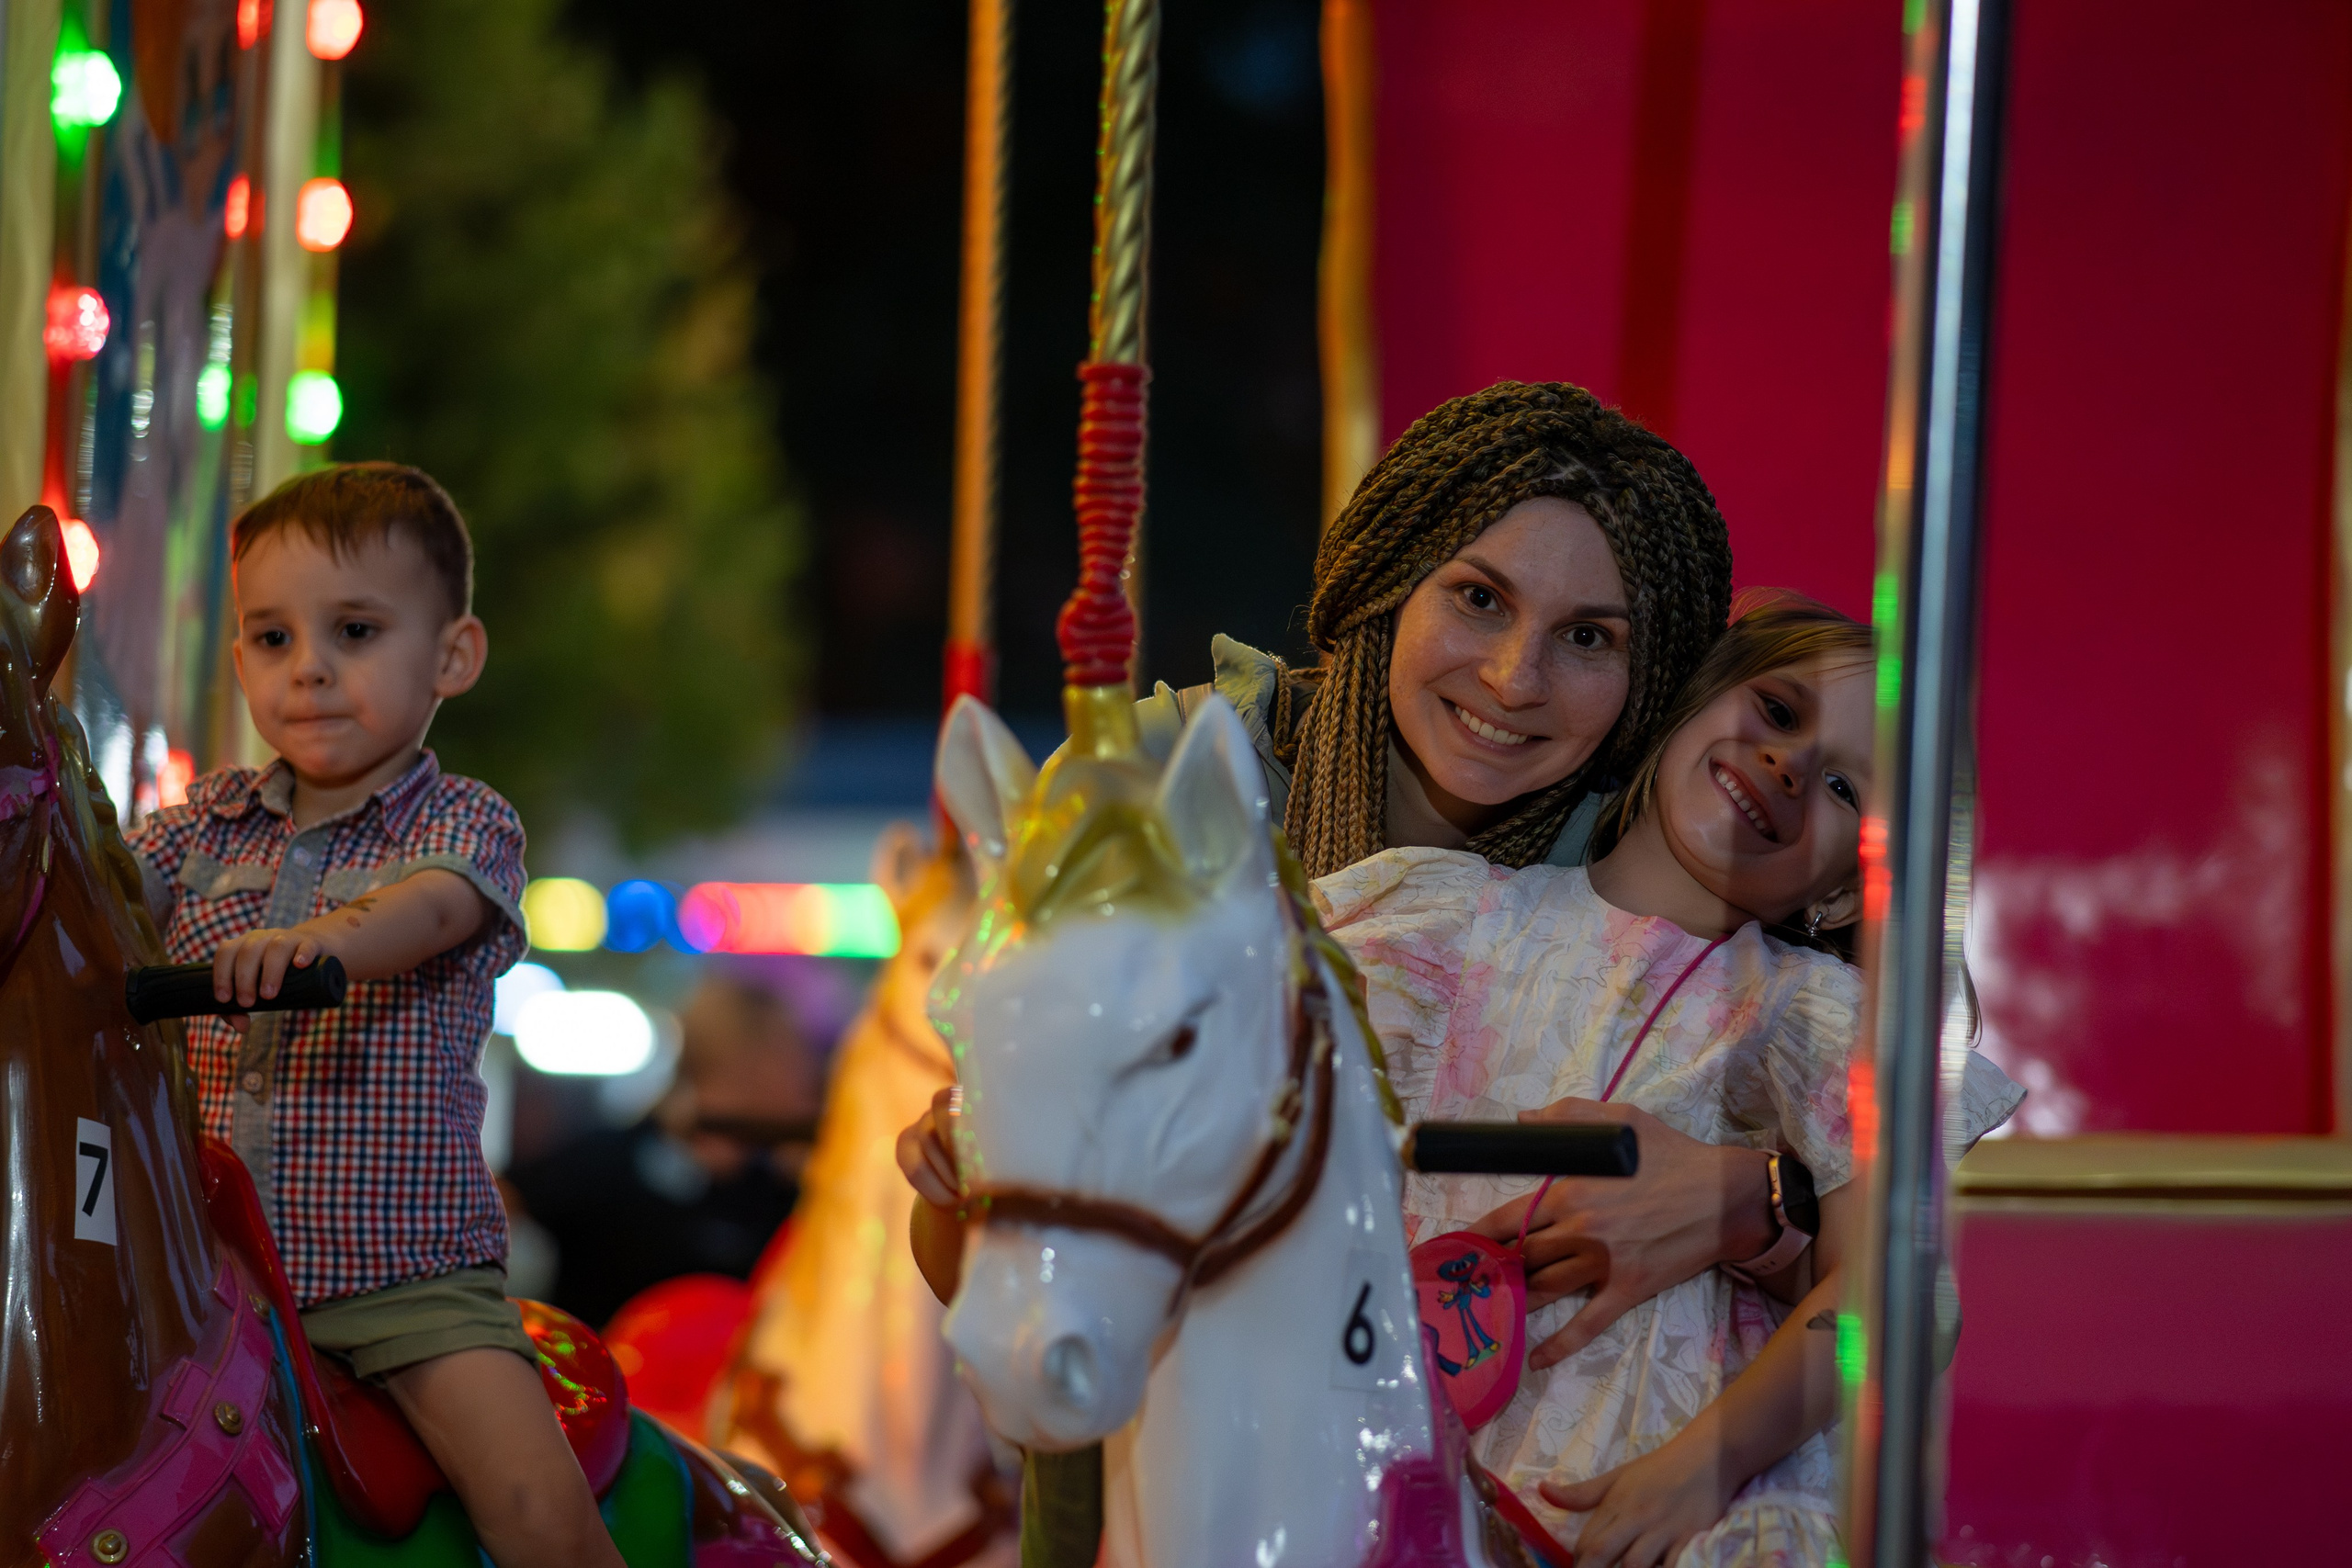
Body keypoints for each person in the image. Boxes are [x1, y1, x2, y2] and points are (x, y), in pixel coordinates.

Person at [901, 382, 1824, 1561]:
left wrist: (1753, 1202)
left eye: (1588, 638)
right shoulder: (1185, 792)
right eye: (1478, 599)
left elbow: (1882, 1283)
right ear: (1389, 579)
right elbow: (972, 1262)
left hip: (1579, 1486)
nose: (1511, 678)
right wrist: (976, 1164)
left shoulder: (1662, 866)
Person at [1313, 596, 2024, 1564]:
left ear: (1846, 892)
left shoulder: (1808, 1015)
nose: (1789, 764)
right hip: (1390, 1453)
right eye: (1777, 712)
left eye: (1846, 790)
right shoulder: (1439, 917)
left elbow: (1901, 1296)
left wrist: (1706, 1463)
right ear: (1686, 708)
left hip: (1662, 1495)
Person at [126, 464, 621, 1568]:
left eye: (353, 630)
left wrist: (319, 946)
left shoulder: (460, 821)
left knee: (536, 1513)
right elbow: (100, 899)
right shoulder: (201, 828)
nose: (308, 669)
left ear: (452, 655)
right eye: (270, 638)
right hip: (202, 1282)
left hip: (402, 1284)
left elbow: (430, 908)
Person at [507, 974, 816, 1329]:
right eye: (796, 1055)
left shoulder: (783, 1190)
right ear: (751, 1064)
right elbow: (485, 1210)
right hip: (597, 1382)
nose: (810, 1074)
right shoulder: (602, 1164)